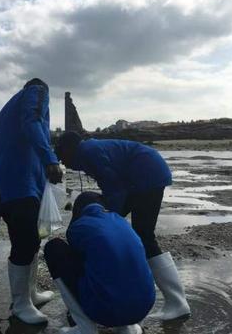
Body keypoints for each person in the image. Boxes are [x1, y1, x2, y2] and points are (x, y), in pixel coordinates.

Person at [55, 132, 190, 321]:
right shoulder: (87, 152)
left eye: (62, 156)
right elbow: (112, 187)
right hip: (141, 177)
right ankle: (171, 300)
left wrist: (110, 218)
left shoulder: (88, 151)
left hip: (147, 175)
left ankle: (177, 302)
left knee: (144, 235)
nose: (63, 162)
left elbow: (115, 189)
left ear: (70, 148)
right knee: (131, 233)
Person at [0, 78, 63, 325]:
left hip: (9, 186)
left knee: (29, 239)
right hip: (24, 183)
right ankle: (21, 304)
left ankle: (30, 295)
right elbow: (33, 121)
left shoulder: (6, 109)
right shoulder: (38, 91)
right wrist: (50, 158)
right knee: (25, 242)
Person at [44, 192, 155, 334]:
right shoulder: (121, 221)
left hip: (106, 312)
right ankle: (128, 326)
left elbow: (77, 262)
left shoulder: (79, 226)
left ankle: (85, 327)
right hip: (144, 308)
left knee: (54, 247)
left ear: (77, 211)